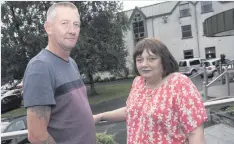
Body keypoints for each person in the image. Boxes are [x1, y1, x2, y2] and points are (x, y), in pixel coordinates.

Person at [94, 38, 207, 144]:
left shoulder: (179, 84)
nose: (144, 64)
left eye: (151, 59)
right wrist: (101, 116)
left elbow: (194, 132)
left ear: (163, 60)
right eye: (139, 60)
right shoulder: (138, 82)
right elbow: (131, 111)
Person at [23, 2, 96, 144]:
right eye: (65, 23)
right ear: (48, 28)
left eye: (76, 24)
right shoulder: (40, 67)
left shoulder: (71, 63)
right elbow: (37, 136)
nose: (73, 30)